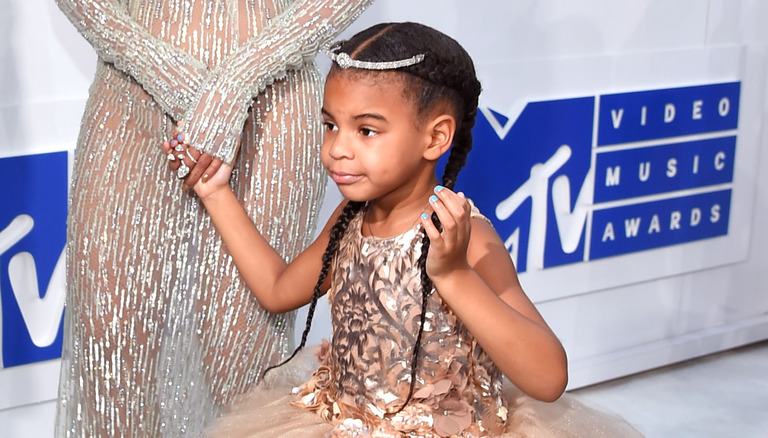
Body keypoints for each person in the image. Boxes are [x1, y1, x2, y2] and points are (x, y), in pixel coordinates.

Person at [170, 21, 644, 437]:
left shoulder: (466, 239)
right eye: (330, 125)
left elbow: (548, 377)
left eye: (366, 130)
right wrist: (216, 192)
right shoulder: (350, 221)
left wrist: (454, 275)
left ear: (436, 136)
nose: (337, 149)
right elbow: (278, 289)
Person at [54, 0, 374, 436]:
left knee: (240, 364)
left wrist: (234, 83)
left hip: (269, 102)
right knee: (110, 357)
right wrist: (158, 66)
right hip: (127, 93)